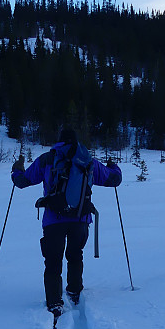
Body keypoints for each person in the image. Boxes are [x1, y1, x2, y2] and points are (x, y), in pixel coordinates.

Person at [11, 128, 122, 316]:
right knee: (75, 254)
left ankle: (54, 302)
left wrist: (16, 170)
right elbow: (115, 179)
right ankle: (74, 291)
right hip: (80, 219)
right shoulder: (88, 161)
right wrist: (114, 166)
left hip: (54, 220)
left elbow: (22, 181)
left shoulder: (47, 159)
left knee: (53, 261)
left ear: (59, 141)